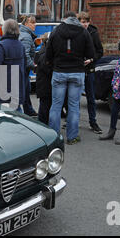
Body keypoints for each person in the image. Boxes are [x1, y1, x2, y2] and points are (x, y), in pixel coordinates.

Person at [45, 11, 95, 145]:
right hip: (77, 72)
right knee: (73, 106)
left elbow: (48, 53)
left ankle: (54, 137)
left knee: (56, 105)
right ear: (76, 19)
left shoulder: (57, 30)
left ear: (65, 19)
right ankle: (72, 137)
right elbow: (91, 53)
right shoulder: (83, 32)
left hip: (59, 71)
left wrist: (53, 63)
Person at [0, 19, 26, 111]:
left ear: (5, 30)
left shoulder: (1, 45)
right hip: (17, 84)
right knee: (17, 110)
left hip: (3, 85)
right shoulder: (21, 45)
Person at [77, 11, 104, 134]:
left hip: (90, 69)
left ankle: (93, 122)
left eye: (87, 22)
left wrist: (92, 59)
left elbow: (100, 51)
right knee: (74, 98)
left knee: (91, 98)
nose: (85, 24)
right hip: (77, 69)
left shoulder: (93, 33)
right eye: (83, 22)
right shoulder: (75, 32)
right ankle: (73, 121)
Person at [19, 15, 38, 116]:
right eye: (33, 22)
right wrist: (33, 65)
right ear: (26, 24)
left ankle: (29, 110)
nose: (35, 25)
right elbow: (25, 54)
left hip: (22, 68)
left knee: (26, 89)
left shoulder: (23, 33)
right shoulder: (26, 36)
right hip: (24, 68)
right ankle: (26, 112)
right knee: (25, 90)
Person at [35, 33, 53, 124]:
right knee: (45, 107)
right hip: (45, 85)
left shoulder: (43, 50)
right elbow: (47, 69)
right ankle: (42, 125)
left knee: (45, 106)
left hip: (43, 84)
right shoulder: (45, 53)